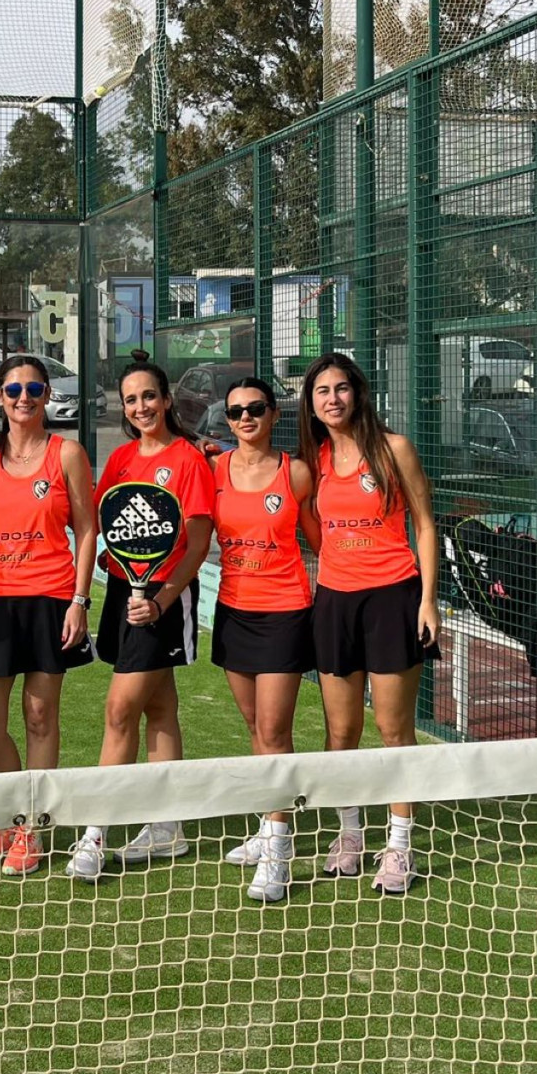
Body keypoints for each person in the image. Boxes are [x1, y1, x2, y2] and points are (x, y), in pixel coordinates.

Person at [299, 351, 441, 896]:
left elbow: (424, 525)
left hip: (392, 599)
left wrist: (428, 601)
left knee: (392, 730)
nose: (332, 399)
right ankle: (350, 834)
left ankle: (399, 846)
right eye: (321, 391)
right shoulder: (313, 460)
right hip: (335, 602)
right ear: (311, 404)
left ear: (357, 393)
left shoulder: (393, 449)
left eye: (340, 388)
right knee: (341, 732)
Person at [69, 360, 214, 883]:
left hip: (161, 599)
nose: (140, 407)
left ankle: (96, 833)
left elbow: (197, 544)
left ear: (167, 400)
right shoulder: (123, 458)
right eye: (130, 400)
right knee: (159, 706)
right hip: (122, 590)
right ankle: (168, 825)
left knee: (119, 710)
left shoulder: (189, 460)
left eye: (149, 396)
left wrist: (162, 601)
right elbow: (103, 517)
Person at [0, 352, 97, 878]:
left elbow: (86, 529)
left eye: (35, 390)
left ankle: (32, 829)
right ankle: (23, 809)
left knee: (40, 717)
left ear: (47, 396)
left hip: (50, 598)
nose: (25, 398)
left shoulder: (68, 453)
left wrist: (80, 601)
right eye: (15, 390)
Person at [208, 377, 318, 903]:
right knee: (254, 726)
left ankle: (279, 849)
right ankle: (266, 825)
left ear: (274, 414)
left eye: (255, 408)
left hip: (284, 612)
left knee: (275, 731)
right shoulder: (213, 470)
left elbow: (320, 543)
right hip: (233, 611)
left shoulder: (295, 472)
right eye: (236, 412)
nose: (245, 418)